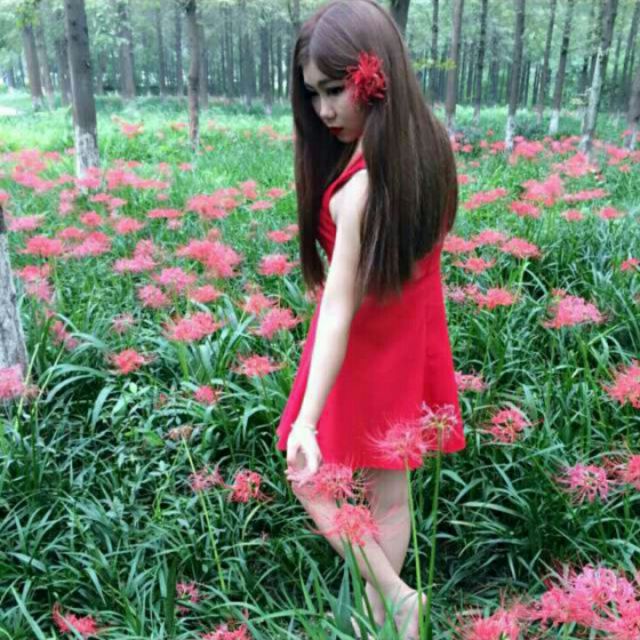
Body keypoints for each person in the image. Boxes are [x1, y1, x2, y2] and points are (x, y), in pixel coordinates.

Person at [274, 0, 466, 636]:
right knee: (390, 485)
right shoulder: (429, 149)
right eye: (313, 94)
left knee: (307, 476)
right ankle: (386, 615)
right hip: (411, 336)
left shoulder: (359, 190)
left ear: (374, 77)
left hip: (360, 341)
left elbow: (337, 306)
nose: (323, 110)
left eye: (335, 90)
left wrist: (306, 419)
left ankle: (395, 597)